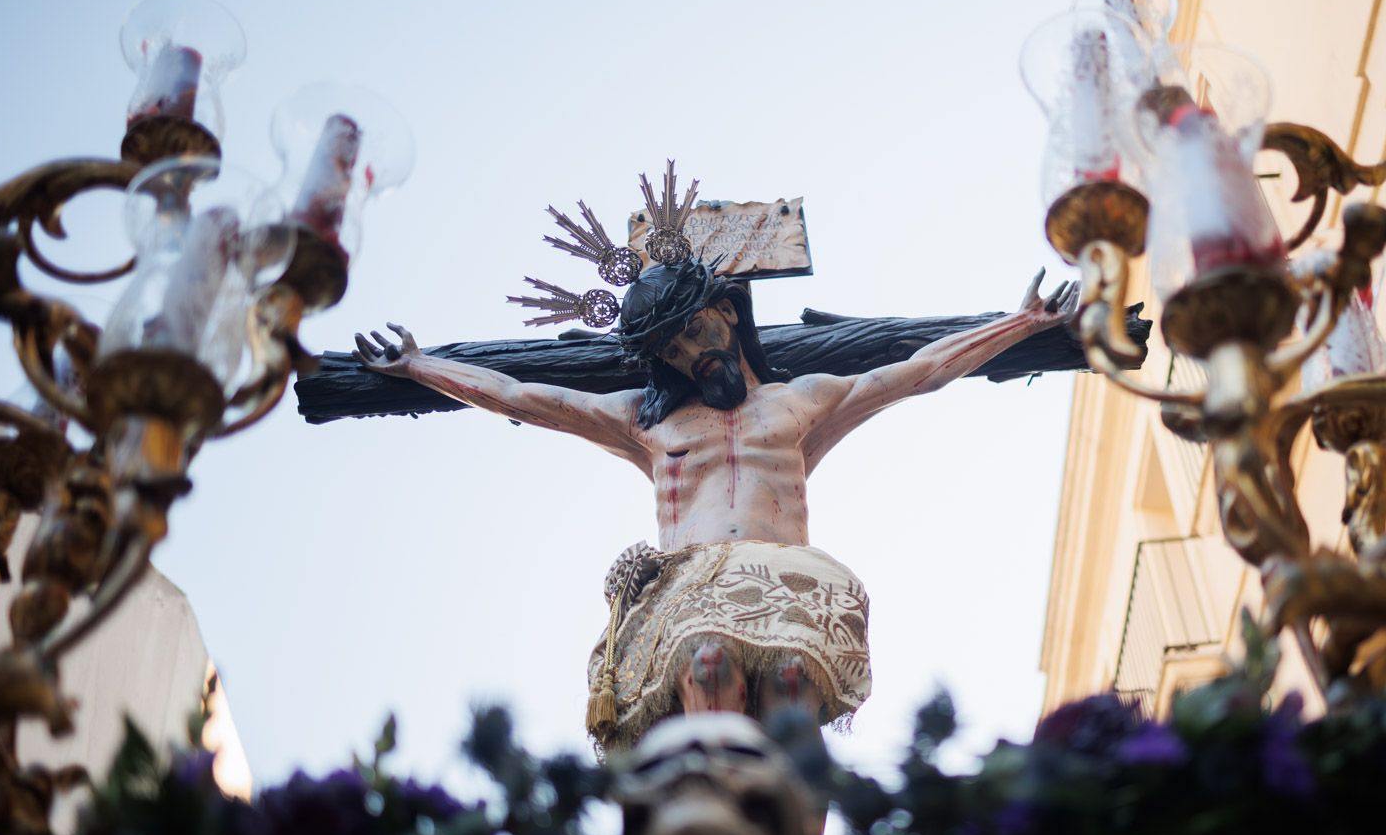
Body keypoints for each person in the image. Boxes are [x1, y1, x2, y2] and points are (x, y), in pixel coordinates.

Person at [354, 259, 1075, 750]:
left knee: (792, 682)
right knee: (706, 666)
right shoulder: (647, 421)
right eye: (671, 349)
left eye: (697, 330)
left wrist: (1021, 326)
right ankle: (712, 824)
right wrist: (419, 366)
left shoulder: (801, 401)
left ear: (727, 313)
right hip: (692, 584)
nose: (691, 354)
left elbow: (915, 371)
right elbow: (524, 398)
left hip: (785, 581)